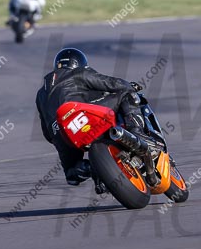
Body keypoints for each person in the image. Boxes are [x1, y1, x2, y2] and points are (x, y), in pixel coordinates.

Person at [35, 48, 149, 192]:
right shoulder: (79, 72)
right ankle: (136, 132)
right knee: (126, 94)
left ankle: (93, 170)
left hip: (61, 134)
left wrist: (59, 139)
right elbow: (111, 83)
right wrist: (130, 86)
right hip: (82, 117)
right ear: (79, 63)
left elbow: (46, 133)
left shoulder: (41, 94)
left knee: (72, 174)